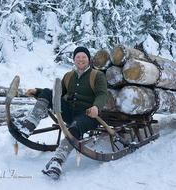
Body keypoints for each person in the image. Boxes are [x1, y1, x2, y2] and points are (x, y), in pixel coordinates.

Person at [17, 46, 108, 180]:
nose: (81, 60)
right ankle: (29, 125)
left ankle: (58, 160)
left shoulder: (97, 75)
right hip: (70, 112)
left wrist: (96, 107)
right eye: (78, 57)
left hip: (88, 115)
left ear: (88, 60)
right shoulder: (68, 76)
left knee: (76, 125)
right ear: (74, 59)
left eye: (84, 57)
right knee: (49, 92)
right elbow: (58, 94)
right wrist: (38, 91)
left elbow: (102, 94)